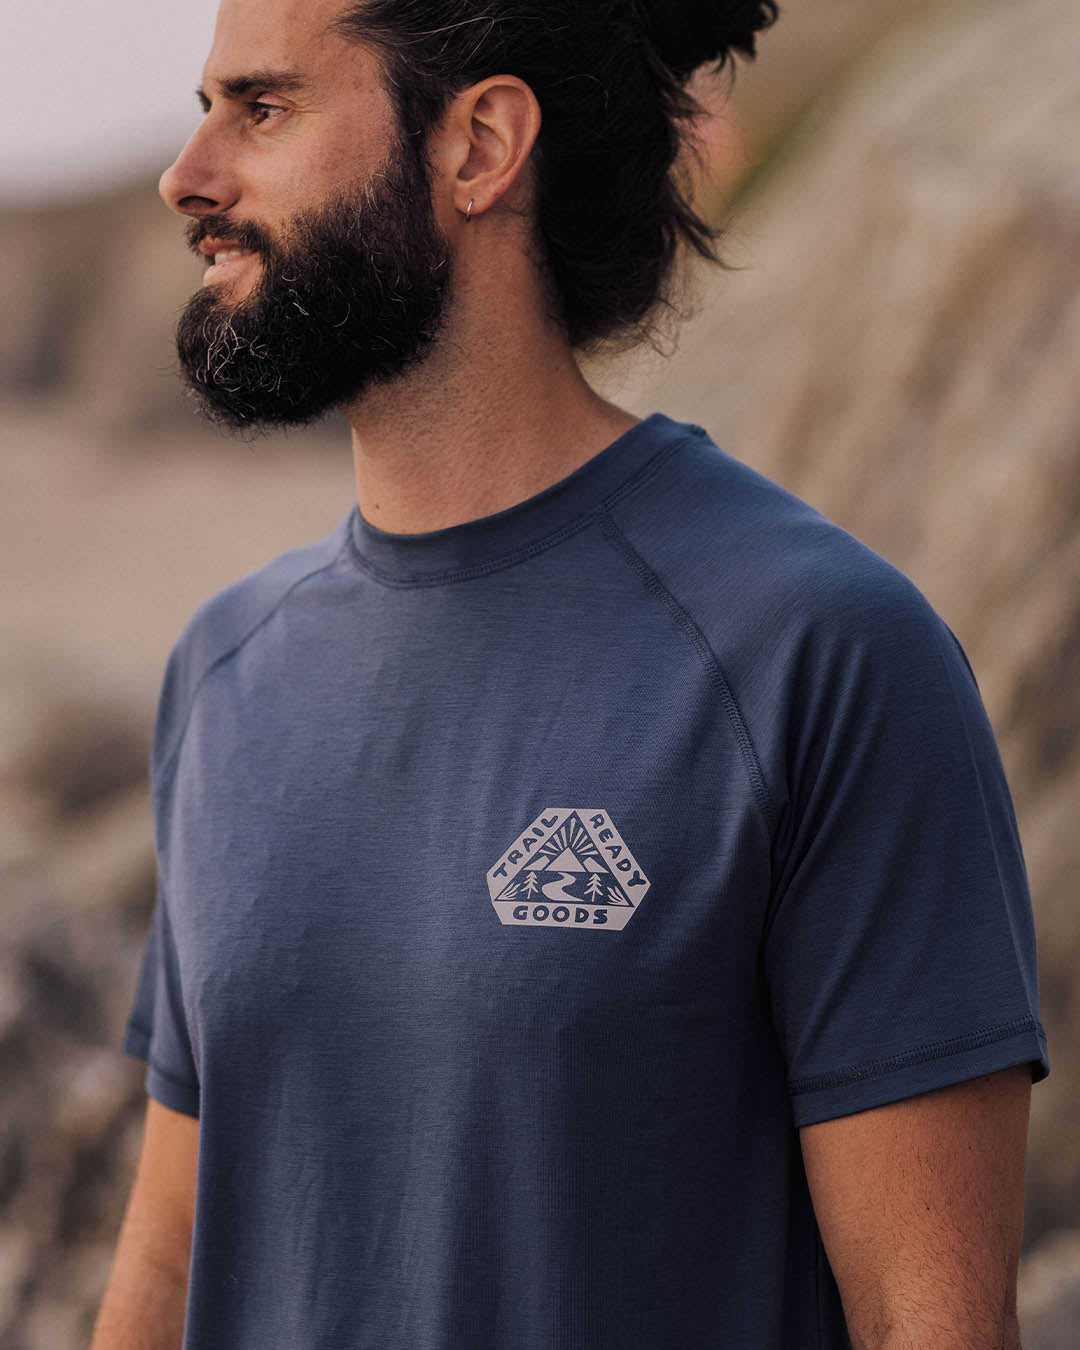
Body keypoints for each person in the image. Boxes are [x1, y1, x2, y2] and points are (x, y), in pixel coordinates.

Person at [92, 1, 1049, 1346]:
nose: (186, 177)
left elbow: (928, 1321)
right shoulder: (226, 667)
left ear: (481, 146)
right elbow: (170, 1260)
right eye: (206, 111)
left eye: (263, 109)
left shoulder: (818, 652)